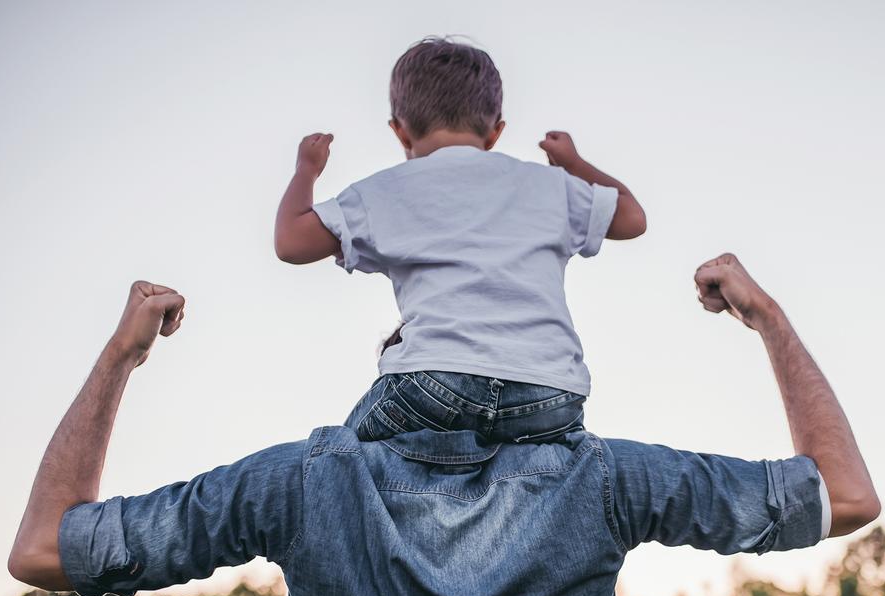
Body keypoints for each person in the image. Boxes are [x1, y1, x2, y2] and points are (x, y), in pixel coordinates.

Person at [8, 253, 880, 596]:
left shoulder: (302, 485)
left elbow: (46, 549)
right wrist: (767, 319)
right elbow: (844, 496)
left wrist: (121, 357)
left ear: (393, 362)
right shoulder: (606, 482)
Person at [273, 37, 648, 445]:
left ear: (399, 132)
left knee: (339, 457)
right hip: (550, 394)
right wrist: (574, 164)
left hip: (436, 385)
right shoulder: (549, 185)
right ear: (496, 132)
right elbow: (632, 218)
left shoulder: (387, 191)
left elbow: (291, 242)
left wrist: (306, 170)